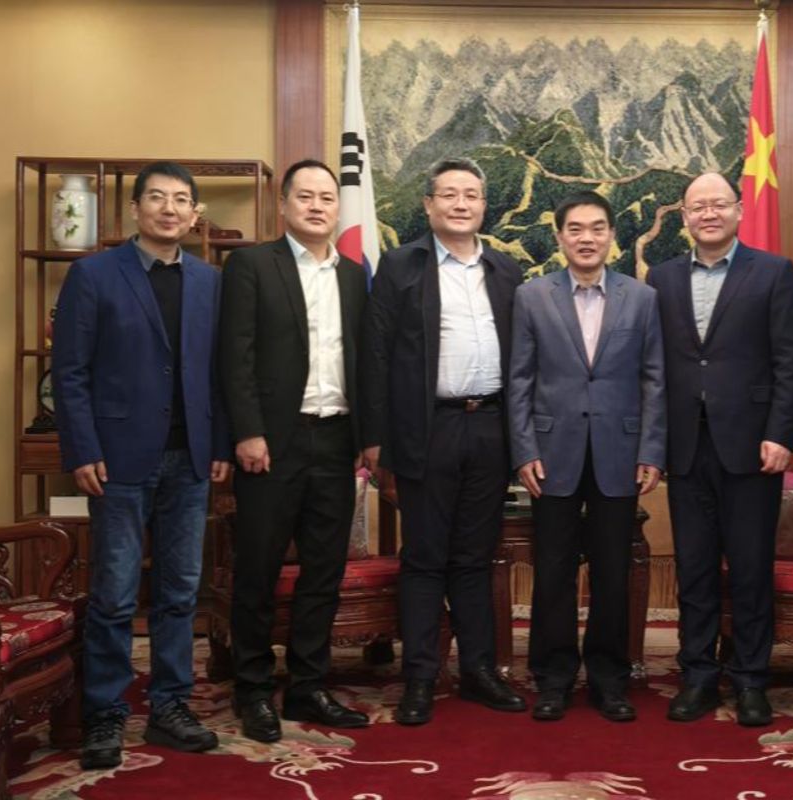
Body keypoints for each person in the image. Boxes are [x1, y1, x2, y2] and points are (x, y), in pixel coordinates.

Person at [53, 161, 230, 768]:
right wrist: (82, 449)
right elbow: (69, 372)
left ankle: (170, 707)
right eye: (157, 197)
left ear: (195, 213)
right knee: (114, 593)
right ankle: (104, 712)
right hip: (117, 457)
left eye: (181, 200)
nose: (169, 209)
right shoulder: (94, 274)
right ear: (135, 209)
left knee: (181, 591)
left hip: (190, 458)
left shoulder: (210, 281)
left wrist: (220, 445)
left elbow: (219, 374)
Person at [361, 157, 526, 725]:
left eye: (471, 194)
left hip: (490, 427)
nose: (461, 204)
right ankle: (420, 677)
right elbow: (376, 355)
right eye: (449, 194)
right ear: (428, 204)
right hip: (426, 427)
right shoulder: (400, 266)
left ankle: (479, 671)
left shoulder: (505, 270)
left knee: (475, 558)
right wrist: (375, 438)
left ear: (484, 205)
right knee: (426, 558)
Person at [646, 173, 793, 726]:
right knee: (693, 570)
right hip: (686, 447)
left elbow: (791, 361)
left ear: (739, 210)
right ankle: (697, 676)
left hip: (754, 447)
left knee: (750, 570)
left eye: (718, 204)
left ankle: (751, 679)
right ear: (684, 217)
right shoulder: (662, 278)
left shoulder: (773, 272)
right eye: (698, 207)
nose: (709, 214)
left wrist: (781, 434)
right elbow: (655, 366)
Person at [219, 159, 370, 742]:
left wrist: (367, 439)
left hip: (335, 439)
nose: (316, 206)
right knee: (258, 569)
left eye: (326, 197)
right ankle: (254, 689)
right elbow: (235, 354)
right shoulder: (253, 265)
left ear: (337, 207)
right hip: (272, 443)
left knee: (323, 572)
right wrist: (247, 431)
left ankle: (308, 685)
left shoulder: (354, 275)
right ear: (283, 205)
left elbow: (363, 360)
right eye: (304, 196)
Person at [507, 190, 666, 723]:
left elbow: (654, 379)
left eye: (597, 228)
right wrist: (524, 449)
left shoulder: (641, 298)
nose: (586, 238)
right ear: (559, 237)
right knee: (552, 572)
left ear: (612, 236)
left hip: (620, 453)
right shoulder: (532, 297)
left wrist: (651, 450)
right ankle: (552, 679)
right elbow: (520, 380)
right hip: (551, 455)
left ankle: (609, 680)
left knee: (611, 573)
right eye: (575, 229)